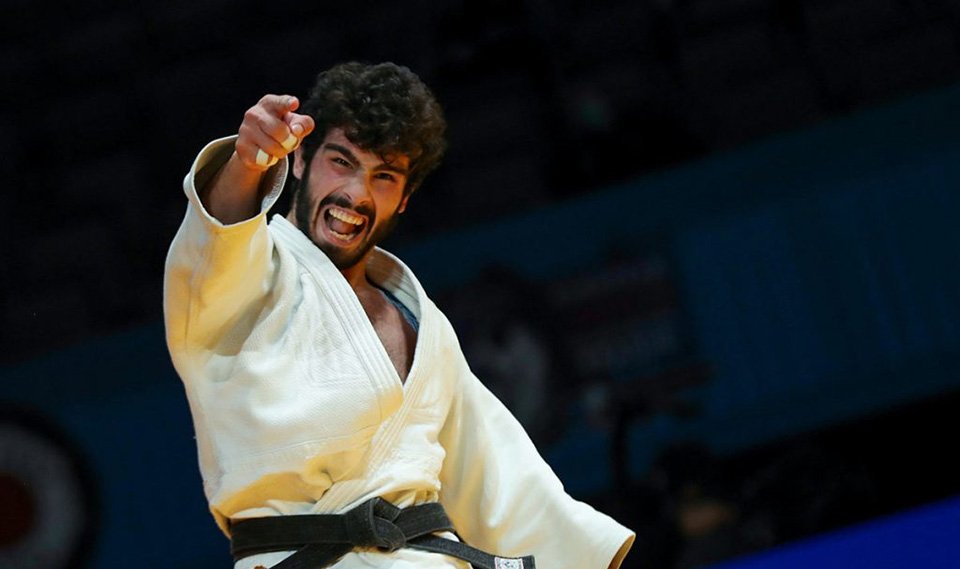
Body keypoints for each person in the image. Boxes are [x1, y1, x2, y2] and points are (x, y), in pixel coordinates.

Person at [163, 61, 634, 569]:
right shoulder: (246, 284)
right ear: (299, 160)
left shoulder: (420, 321)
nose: (356, 193)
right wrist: (247, 162)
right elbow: (217, 242)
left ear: (405, 199)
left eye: (383, 176)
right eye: (341, 162)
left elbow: (500, 478)